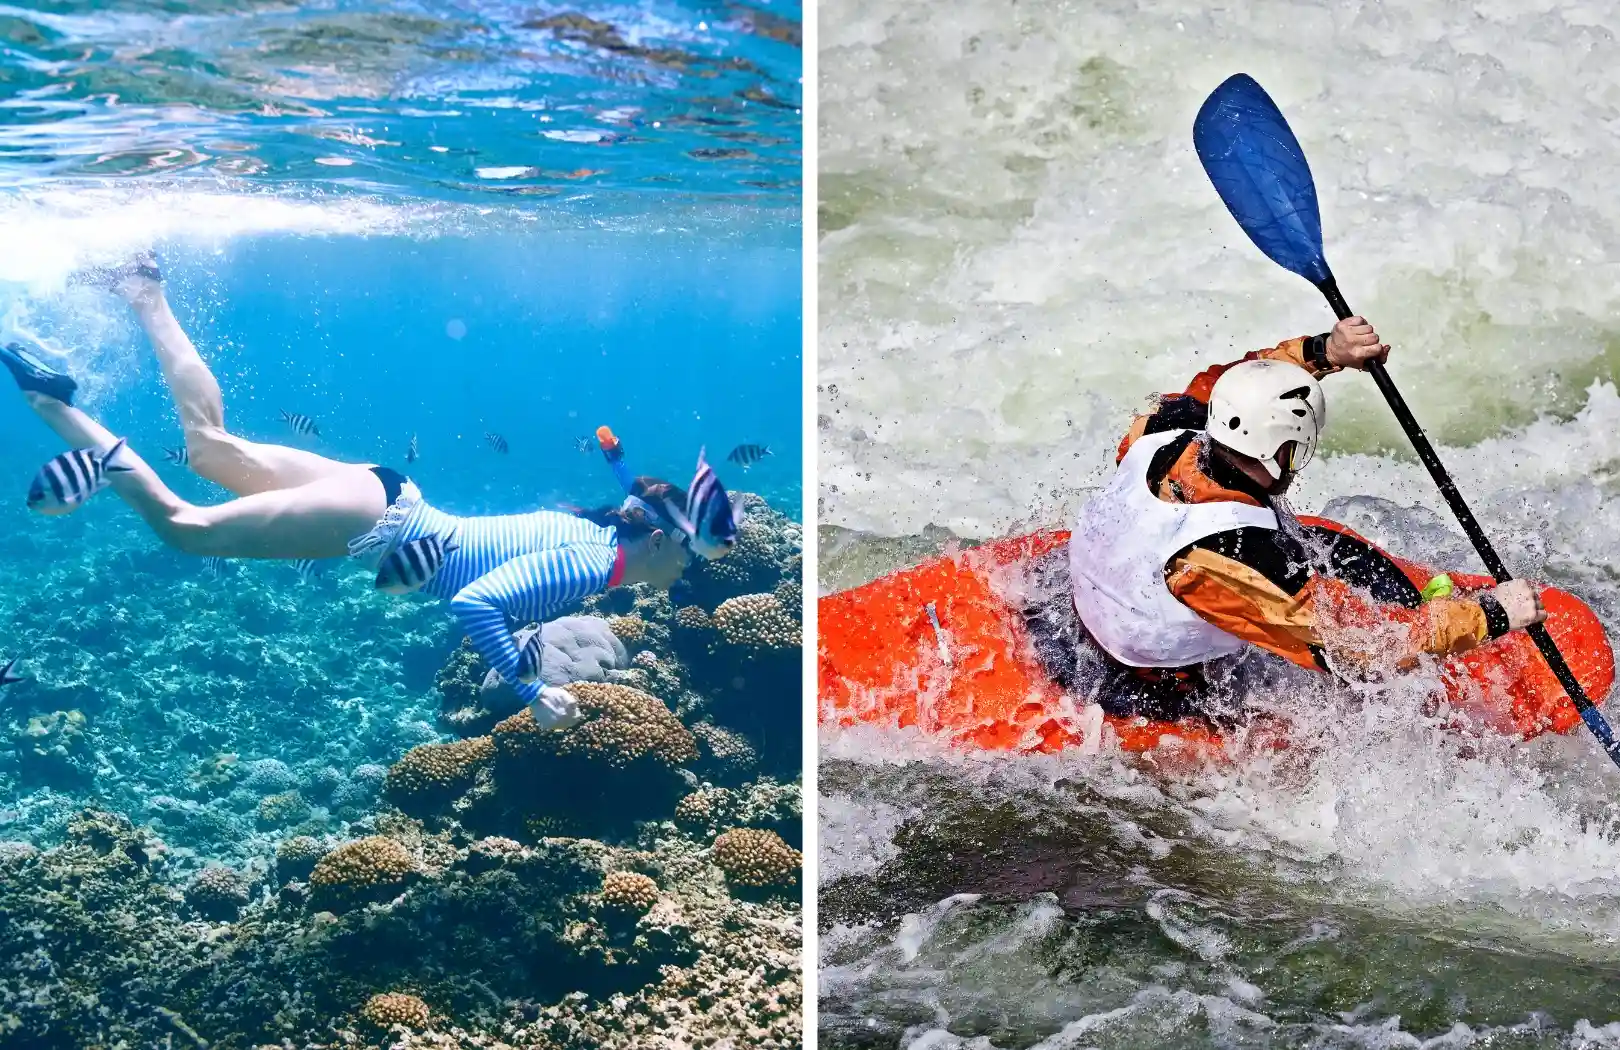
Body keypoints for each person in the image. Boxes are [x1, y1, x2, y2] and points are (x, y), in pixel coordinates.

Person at [2, 257, 723, 730]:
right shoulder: (594, 565)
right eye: (690, 554)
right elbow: (476, 602)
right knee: (182, 527)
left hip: (390, 492)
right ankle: (52, 404)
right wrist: (531, 691)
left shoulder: (600, 532)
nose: (690, 569)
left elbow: (592, 520)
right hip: (378, 527)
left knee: (211, 448)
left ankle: (143, 289)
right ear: (659, 539)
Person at [1037, 316, 1547, 725]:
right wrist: (1491, 615)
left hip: (1086, 607)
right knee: (1353, 659)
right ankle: (1433, 615)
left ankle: (1421, 607)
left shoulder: (1166, 431)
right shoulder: (1233, 556)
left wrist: (1326, 351)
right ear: (1283, 450)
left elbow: (1230, 382)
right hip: (1150, 684)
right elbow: (1362, 647)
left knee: (1325, 547)